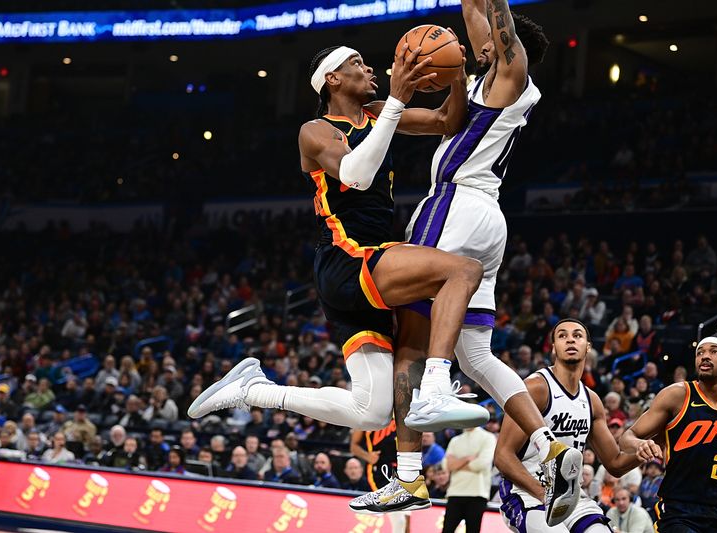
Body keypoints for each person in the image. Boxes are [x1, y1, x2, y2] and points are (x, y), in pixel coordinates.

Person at [190, 33, 491, 446]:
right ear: (332, 78)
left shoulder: (378, 112)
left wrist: (457, 72)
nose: (370, 69)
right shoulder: (315, 131)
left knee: (372, 411)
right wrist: (398, 102)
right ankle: (438, 385)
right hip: (349, 258)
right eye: (358, 63)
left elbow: (446, 121)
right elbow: (354, 174)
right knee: (463, 271)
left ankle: (252, 389)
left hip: (365, 268)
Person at [357, 0, 581, 521]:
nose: (473, 42)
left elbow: (492, 15)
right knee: (477, 356)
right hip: (487, 221)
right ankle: (550, 445)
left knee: (409, 342)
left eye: (485, 40)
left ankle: (409, 475)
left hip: (454, 205)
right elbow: (474, 11)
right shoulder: (481, 85)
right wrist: (377, 112)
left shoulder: (512, 73)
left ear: (506, 44)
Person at [496, 319, 648, 532]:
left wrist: (644, 452)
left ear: (588, 347)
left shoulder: (592, 400)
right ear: (554, 348)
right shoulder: (536, 388)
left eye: (577, 335)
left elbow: (615, 463)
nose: (570, 340)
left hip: (571, 496)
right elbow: (503, 456)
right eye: (562, 336)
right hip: (526, 493)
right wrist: (544, 495)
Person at [620, 337, 717, 532]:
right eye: (700, 352)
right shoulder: (677, 395)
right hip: (680, 512)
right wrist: (639, 445)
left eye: (714, 351)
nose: (705, 356)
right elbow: (627, 437)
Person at [442, 425, 496, 533]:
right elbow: (446, 465)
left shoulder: (488, 437)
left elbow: (481, 464)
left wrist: (456, 464)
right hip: (455, 493)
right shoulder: (455, 440)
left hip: (477, 494)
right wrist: (467, 459)